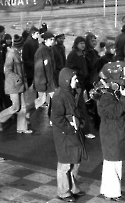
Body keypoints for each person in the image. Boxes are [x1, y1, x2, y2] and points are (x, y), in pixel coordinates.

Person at [51, 68, 87, 202]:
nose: (76, 80)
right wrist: (70, 127)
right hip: (64, 134)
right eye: (74, 79)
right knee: (65, 163)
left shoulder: (73, 92)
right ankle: (63, 191)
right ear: (67, 81)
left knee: (75, 160)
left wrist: (80, 122)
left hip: (73, 132)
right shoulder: (59, 96)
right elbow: (56, 118)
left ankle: (73, 187)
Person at [96, 80, 125, 201]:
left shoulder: (111, 94)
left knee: (113, 163)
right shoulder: (107, 97)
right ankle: (113, 193)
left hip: (114, 134)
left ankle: (108, 191)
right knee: (113, 164)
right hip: (112, 135)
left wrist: (124, 95)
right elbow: (116, 112)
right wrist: (124, 97)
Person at [0, 34, 32, 134]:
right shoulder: (11, 54)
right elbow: (7, 70)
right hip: (13, 85)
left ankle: (22, 128)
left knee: (23, 106)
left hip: (20, 84)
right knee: (16, 107)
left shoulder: (17, 52)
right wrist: (18, 78)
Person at [34, 31, 57, 110]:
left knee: (56, 99)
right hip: (43, 82)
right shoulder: (40, 51)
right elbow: (39, 69)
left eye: (53, 39)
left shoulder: (51, 49)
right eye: (51, 39)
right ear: (46, 40)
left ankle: (54, 118)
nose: (53, 41)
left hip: (50, 81)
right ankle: (28, 112)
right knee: (41, 100)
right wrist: (42, 82)